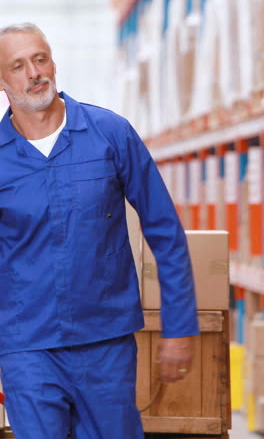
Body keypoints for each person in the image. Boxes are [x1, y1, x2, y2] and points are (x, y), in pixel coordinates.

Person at [0, 23, 200, 439]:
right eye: (17, 66)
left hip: (105, 341)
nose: (34, 72)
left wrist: (180, 325)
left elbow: (164, 229)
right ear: (3, 81)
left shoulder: (109, 133)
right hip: (26, 345)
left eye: (40, 59)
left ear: (54, 62)